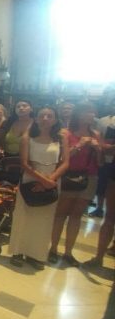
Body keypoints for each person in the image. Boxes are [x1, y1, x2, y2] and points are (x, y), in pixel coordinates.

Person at [7, 106, 68, 269]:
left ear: (55, 120)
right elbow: (24, 163)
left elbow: (65, 163)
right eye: (42, 115)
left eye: (50, 116)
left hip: (52, 179)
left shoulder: (61, 139)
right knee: (24, 216)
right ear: (36, 119)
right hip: (30, 179)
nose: (46, 118)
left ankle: (36, 253)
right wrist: (42, 180)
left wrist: (50, 180)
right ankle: (18, 251)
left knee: (44, 219)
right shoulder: (28, 138)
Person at [49, 102, 101, 267]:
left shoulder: (96, 134)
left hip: (89, 177)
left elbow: (99, 163)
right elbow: (63, 157)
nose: (91, 115)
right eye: (88, 112)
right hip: (68, 176)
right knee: (60, 214)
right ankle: (53, 248)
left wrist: (98, 149)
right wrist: (79, 145)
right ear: (79, 114)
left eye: (93, 112)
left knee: (76, 216)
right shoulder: (66, 133)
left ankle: (69, 252)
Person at [91, 98, 115, 217]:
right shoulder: (102, 120)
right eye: (112, 103)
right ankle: (99, 208)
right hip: (104, 156)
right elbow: (97, 137)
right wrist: (102, 146)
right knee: (102, 184)